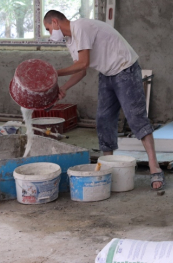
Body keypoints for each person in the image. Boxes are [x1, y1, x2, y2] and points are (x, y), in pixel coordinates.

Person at [43, 10, 164, 190]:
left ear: (55, 21)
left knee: (136, 118)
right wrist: (64, 88)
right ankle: (109, 164)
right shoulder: (70, 40)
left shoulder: (80, 27)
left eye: (48, 29)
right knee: (104, 119)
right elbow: (81, 70)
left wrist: (54, 73)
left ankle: (155, 167)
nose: (49, 33)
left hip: (125, 68)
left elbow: (83, 63)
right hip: (107, 73)